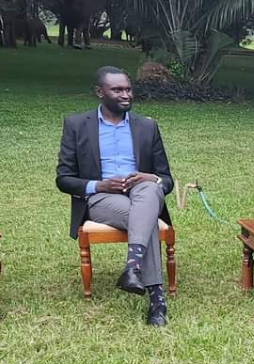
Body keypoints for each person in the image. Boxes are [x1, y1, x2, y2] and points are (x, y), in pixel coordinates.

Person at [56, 66, 174, 326]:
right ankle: (156, 298)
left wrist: (150, 177)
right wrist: (100, 185)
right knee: (147, 218)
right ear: (100, 92)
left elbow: (166, 180)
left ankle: (133, 269)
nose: (126, 95)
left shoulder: (147, 126)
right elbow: (63, 179)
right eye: (117, 90)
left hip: (142, 192)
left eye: (128, 89)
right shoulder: (76, 125)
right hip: (102, 198)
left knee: (149, 189)